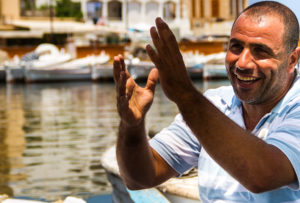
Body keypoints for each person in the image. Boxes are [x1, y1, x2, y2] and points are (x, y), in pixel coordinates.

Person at [113, 1, 300, 202]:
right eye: (236, 47)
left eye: (261, 51)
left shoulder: (295, 107)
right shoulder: (215, 103)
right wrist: (132, 126)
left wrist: (184, 94)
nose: (243, 63)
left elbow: (262, 175)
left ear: (292, 60)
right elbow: (140, 178)